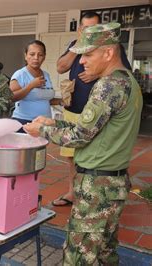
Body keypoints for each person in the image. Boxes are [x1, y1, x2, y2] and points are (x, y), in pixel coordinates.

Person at [24, 22, 143, 265]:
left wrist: (42, 130)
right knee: (104, 254)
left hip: (96, 188)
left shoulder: (109, 86)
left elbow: (80, 137)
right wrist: (54, 123)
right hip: (112, 183)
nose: (83, 62)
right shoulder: (128, 81)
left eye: (88, 54)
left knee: (78, 257)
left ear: (108, 53)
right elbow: (94, 130)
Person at [54, 12, 132, 207]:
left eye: (88, 56)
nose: (83, 61)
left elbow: (122, 72)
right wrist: (80, 44)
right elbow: (61, 67)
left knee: (94, 152)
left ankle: (91, 193)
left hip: (101, 111)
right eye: (86, 28)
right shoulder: (75, 45)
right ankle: (74, 191)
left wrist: (98, 75)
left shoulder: (110, 50)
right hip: (75, 108)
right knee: (72, 156)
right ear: (80, 29)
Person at [10, 40, 59, 132]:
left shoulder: (46, 75)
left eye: (40, 55)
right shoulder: (20, 74)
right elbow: (11, 97)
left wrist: (61, 101)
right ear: (25, 56)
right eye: (32, 54)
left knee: (42, 147)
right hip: (24, 122)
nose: (36, 58)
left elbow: (43, 98)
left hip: (44, 123)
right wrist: (31, 86)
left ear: (44, 57)